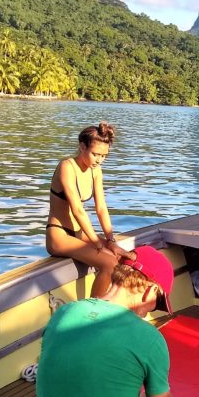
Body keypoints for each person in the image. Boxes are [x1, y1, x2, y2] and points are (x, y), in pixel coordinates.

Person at [36, 246, 195, 397]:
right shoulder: (149, 337)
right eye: (157, 303)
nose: (150, 311)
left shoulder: (63, 314)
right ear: (150, 291)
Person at [45, 122, 134, 299]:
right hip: (59, 235)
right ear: (82, 146)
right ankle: (93, 314)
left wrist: (110, 240)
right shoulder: (67, 167)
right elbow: (77, 209)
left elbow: (101, 208)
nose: (99, 160)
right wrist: (97, 243)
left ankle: (111, 302)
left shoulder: (96, 171)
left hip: (79, 234)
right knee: (109, 263)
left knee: (121, 257)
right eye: (95, 154)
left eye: (104, 156)